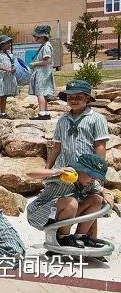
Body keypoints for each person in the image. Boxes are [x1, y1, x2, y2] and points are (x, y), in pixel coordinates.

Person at [41, 79, 111, 243]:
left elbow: (100, 146)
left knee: (92, 201)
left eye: (78, 97)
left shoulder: (96, 119)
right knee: (67, 203)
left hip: (87, 171)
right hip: (67, 172)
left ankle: (87, 238)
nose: (73, 100)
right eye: (70, 97)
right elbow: (57, 146)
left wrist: (98, 172)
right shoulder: (63, 120)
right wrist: (48, 169)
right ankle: (61, 239)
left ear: (87, 98)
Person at [26, 154, 114, 254]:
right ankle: (63, 238)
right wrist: (56, 171)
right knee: (72, 202)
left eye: (96, 177)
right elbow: (30, 173)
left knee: (96, 199)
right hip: (39, 213)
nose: (93, 179)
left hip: (61, 214)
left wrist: (107, 194)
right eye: (91, 175)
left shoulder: (90, 183)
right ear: (80, 170)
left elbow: (102, 190)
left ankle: (80, 236)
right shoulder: (64, 175)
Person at [28, 24, 55, 120]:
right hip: (43, 73)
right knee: (43, 93)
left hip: (42, 73)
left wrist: (34, 64)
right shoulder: (44, 46)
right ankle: (45, 112)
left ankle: (42, 113)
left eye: (37, 36)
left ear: (43, 36)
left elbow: (47, 61)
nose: (35, 38)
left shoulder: (46, 47)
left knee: (40, 93)